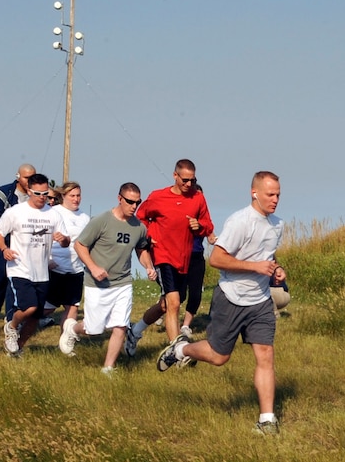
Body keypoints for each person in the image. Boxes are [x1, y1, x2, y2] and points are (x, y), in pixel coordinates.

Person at [156, 171, 286, 434]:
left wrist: (276, 270)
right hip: (231, 297)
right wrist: (254, 267)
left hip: (260, 301)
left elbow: (266, 257)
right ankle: (180, 350)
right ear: (255, 193)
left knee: (266, 355)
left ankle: (267, 420)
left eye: (278, 195)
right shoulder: (240, 221)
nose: (275, 200)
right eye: (270, 195)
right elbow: (217, 259)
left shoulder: (277, 224)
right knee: (218, 357)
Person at [58, 183, 156, 373]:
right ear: (119, 199)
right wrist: (93, 267)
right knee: (94, 330)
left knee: (120, 326)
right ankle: (72, 330)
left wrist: (149, 267)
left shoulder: (139, 227)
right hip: (97, 284)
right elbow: (80, 245)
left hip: (123, 283)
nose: (134, 206)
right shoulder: (101, 221)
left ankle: (108, 368)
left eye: (137, 202)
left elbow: (141, 249)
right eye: (130, 202)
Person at [126, 159, 215, 352]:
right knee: (174, 302)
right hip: (163, 256)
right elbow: (140, 217)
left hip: (184, 259)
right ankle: (177, 351)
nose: (188, 184)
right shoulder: (158, 197)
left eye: (192, 180)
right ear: (175, 176)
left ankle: (136, 330)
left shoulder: (198, 198)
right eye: (185, 180)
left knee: (167, 305)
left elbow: (208, 224)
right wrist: (148, 236)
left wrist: (199, 226)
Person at [0, 173, 69, 357]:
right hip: (19, 268)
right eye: (38, 193)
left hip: (41, 272)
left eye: (46, 194)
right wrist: (4, 249)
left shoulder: (53, 214)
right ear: (29, 191)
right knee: (29, 308)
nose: (43, 198)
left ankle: (17, 348)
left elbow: (66, 241)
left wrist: (63, 239)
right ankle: (11, 326)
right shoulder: (15, 212)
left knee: (35, 318)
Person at [0, 164, 35, 335]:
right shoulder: (3, 193)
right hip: (0, 246)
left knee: (17, 284)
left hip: (25, 250)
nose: (30, 181)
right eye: (27, 177)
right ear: (18, 176)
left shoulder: (37, 197)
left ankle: (11, 320)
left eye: (33, 177)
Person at [45, 181, 90, 329]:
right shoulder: (53, 212)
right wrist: (48, 260)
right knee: (47, 308)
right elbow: (42, 239)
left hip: (76, 268)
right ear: (63, 196)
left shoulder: (84, 217)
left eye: (78, 195)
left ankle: (65, 344)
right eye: (72, 196)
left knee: (72, 307)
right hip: (55, 267)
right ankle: (18, 323)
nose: (76, 199)